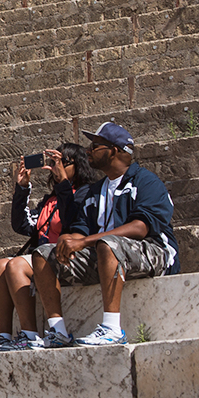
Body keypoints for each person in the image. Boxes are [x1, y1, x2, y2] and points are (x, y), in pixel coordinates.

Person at [32, 122, 178, 347]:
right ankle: (58, 331)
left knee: (108, 243)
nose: (88, 151)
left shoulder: (146, 181)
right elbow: (80, 229)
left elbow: (140, 228)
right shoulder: (94, 190)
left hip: (154, 253)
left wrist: (86, 240)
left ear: (115, 150)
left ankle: (112, 329)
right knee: (43, 254)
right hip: (106, 255)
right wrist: (68, 239)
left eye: (96, 146)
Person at [0, 144, 100, 352]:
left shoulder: (86, 193)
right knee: (0, 265)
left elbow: (72, 220)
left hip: (68, 256)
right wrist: (22, 189)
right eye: (54, 163)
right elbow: (23, 226)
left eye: (63, 162)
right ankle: (4, 336)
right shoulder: (50, 200)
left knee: (17, 265)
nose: (56, 167)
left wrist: (63, 183)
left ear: (78, 165)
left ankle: (30, 335)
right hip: (41, 257)